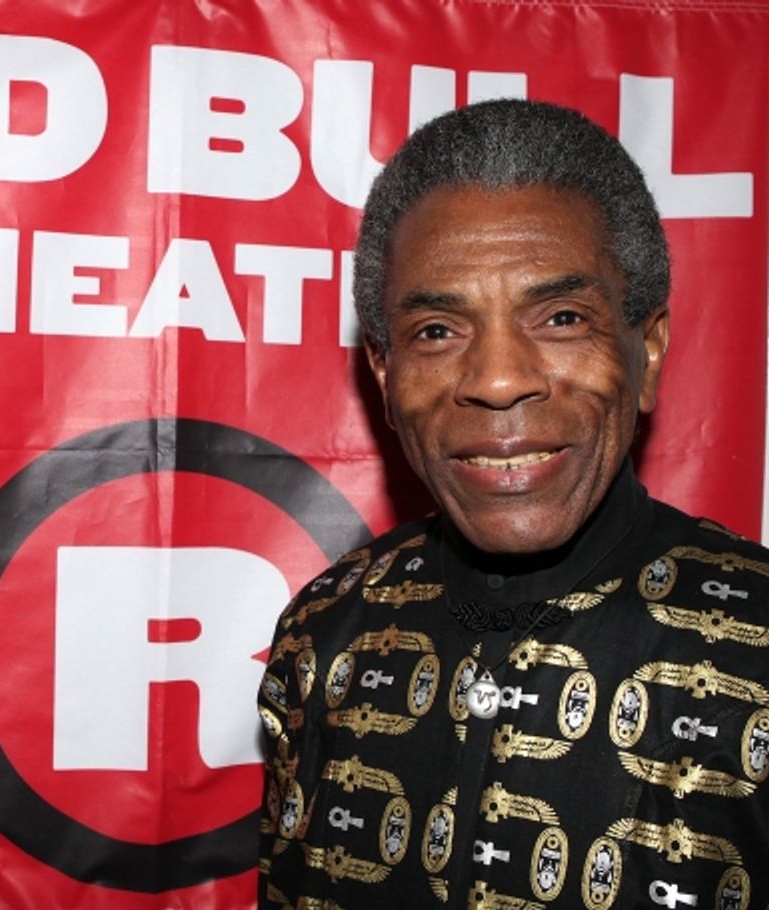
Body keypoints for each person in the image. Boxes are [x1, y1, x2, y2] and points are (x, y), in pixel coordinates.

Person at [258, 99, 769, 909]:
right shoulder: (326, 631)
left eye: (562, 318)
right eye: (435, 330)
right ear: (384, 378)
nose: (499, 380)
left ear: (649, 350)